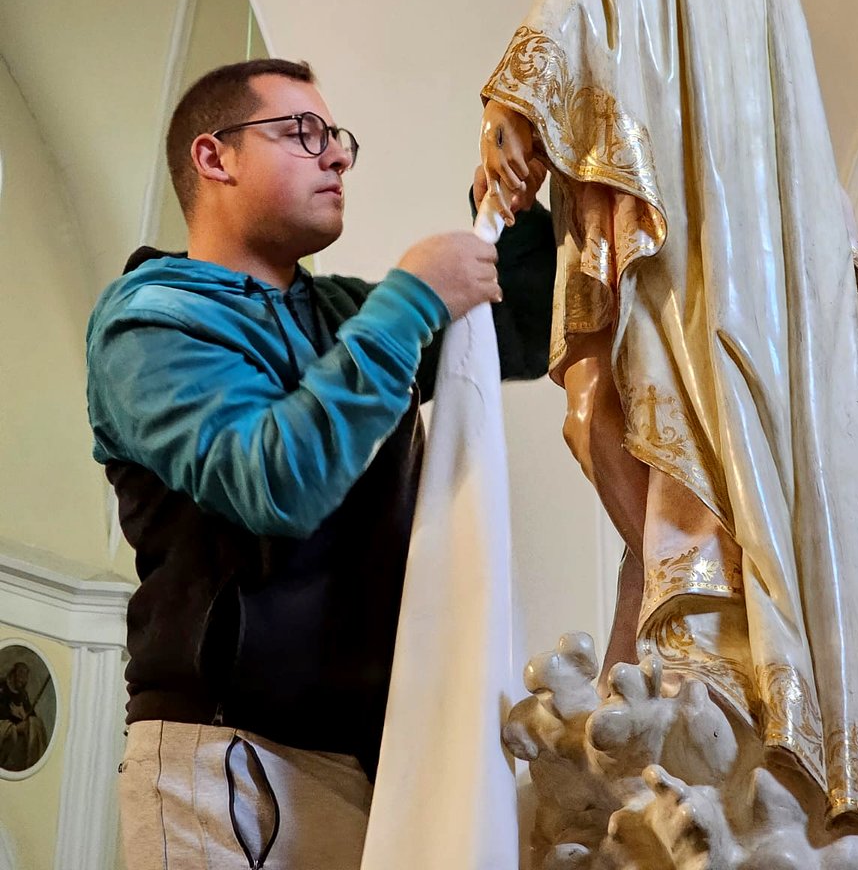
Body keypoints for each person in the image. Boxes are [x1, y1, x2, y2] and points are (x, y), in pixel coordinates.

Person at [480, 0, 858, 839]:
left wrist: (516, 111)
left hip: (690, 257)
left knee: (686, 443)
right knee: (758, 454)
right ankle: (772, 688)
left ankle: (697, 655)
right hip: (772, 275)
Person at [86, 57, 554, 869]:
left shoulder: (343, 313)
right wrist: (411, 297)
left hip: (364, 758)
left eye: (338, 137)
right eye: (302, 132)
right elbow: (275, 481)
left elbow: (520, 331)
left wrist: (508, 203)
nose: (336, 155)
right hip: (225, 756)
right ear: (214, 158)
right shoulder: (153, 321)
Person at [0, 661, 48, 772]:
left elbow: (30, 714)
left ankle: (33, 761)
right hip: (5, 726)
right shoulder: (2, 686)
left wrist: (23, 714)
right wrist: (12, 715)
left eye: (25, 676)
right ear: (13, 674)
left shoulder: (22, 693)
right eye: (21, 675)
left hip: (19, 727)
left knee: (35, 722)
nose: (23, 680)